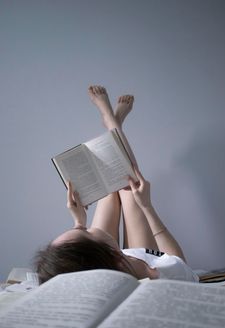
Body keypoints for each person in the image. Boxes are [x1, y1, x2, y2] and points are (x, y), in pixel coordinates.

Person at [35, 86, 199, 284]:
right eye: (85, 229)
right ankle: (113, 124)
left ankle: (114, 126)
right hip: (132, 261)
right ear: (116, 256)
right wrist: (147, 207)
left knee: (112, 182)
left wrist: (79, 221)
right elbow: (180, 264)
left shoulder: (93, 260)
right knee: (129, 186)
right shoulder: (151, 273)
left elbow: (72, 257)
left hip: (102, 260)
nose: (84, 225)